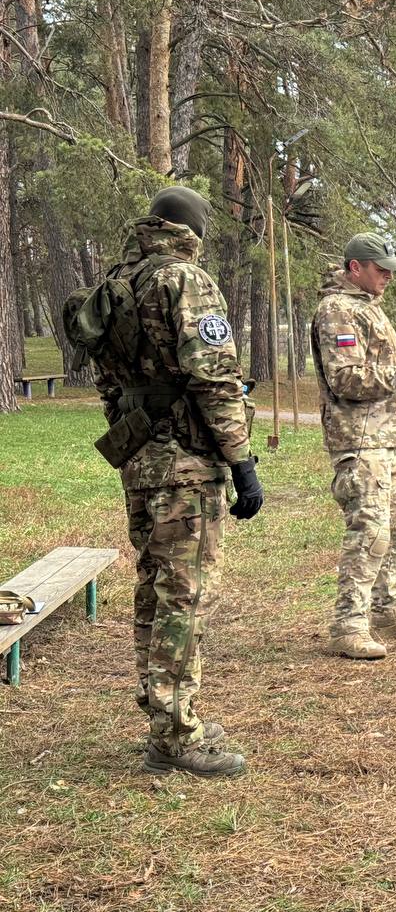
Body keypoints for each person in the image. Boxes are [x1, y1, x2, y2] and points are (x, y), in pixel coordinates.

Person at [66, 186, 262, 778]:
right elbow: (215, 380)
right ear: (191, 231)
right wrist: (243, 463)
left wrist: (138, 437)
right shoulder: (185, 280)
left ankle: (164, 711)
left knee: (155, 589)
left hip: (143, 462)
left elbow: (108, 382)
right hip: (185, 466)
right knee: (185, 597)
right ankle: (176, 738)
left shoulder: (116, 285)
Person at [312, 233, 396, 660]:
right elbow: (346, 379)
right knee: (369, 529)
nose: (388, 275)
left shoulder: (368, 308)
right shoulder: (337, 311)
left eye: (389, 269)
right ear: (355, 268)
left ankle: (387, 609)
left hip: (385, 438)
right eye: (379, 268)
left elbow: (378, 370)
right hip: (359, 439)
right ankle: (348, 625)